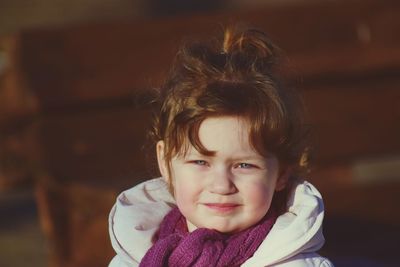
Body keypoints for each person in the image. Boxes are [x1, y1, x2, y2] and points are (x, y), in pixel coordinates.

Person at [108, 25, 333, 267]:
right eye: (200, 162)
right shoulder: (134, 254)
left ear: (281, 173)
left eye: (244, 165)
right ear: (165, 161)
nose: (221, 185)